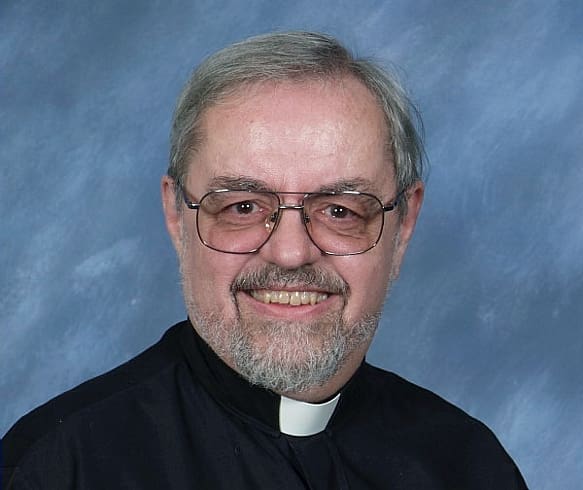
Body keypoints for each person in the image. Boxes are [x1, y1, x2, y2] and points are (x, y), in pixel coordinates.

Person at [1, 31, 528, 489]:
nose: (292, 252)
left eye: (341, 210)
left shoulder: (468, 464)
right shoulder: (57, 468)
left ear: (403, 224)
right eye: (243, 207)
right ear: (175, 215)